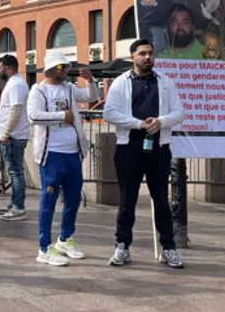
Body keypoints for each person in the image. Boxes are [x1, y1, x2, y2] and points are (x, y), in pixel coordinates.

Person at [102, 39, 186, 268]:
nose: (147, 57)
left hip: (159, 148)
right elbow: (109, 113)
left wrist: (160, 121)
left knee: (161, 199)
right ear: (133, 57)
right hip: (129, 148)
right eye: (142, 54)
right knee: (127, 200)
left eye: (150, 53)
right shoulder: (120, 83)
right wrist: (138, 124)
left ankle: (168, 248)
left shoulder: (165, 82)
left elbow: (179, 112)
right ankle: (122, 246)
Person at [27, 50, 101, 266]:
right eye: (61, 67)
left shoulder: (69, 88)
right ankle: (44, 247)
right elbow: (33, 116)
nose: (65, 70)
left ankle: (65, 238)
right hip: (51, 154)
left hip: (73, 153)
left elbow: (91, 97)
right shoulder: (38, 90)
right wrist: (62, 116)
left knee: (73, 197)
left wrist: (90, 81)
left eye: (66, 66)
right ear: (50, 70)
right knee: (49, 200)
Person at [0, 54, 30, 221]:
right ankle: (15, 203)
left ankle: (18, 207)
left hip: (13, 136)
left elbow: (15, 110)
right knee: (14, 171)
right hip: (11, 136)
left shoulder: (16, 85)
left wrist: (6, 133)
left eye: (1, 67)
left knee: (15, 172)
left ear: (8, 67)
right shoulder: (14, 83)